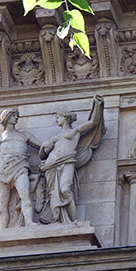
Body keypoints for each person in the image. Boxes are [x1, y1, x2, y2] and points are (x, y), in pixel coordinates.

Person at [39, 95, 105, 224]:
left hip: (68, 162)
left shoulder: (75, 131)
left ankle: (72, 221)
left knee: (65, 190)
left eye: (58, 117)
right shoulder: (56, 137)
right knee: (54, 193)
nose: (57, 120)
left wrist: (98, 105)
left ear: (66, 118)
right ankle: (57, 219)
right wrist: (42, 148)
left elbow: (93, 123)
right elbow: (43, 156)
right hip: (51, 165)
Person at [0, 108, 41, 229]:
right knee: (2, 201)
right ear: (7, 118)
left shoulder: (25, 135)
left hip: (20, 167)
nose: (16, 118)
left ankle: (29, 222)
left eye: (16, 116)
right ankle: (3, 228)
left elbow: (41, 145)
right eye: (14, 116)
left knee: (25, 195)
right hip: (3, 170)